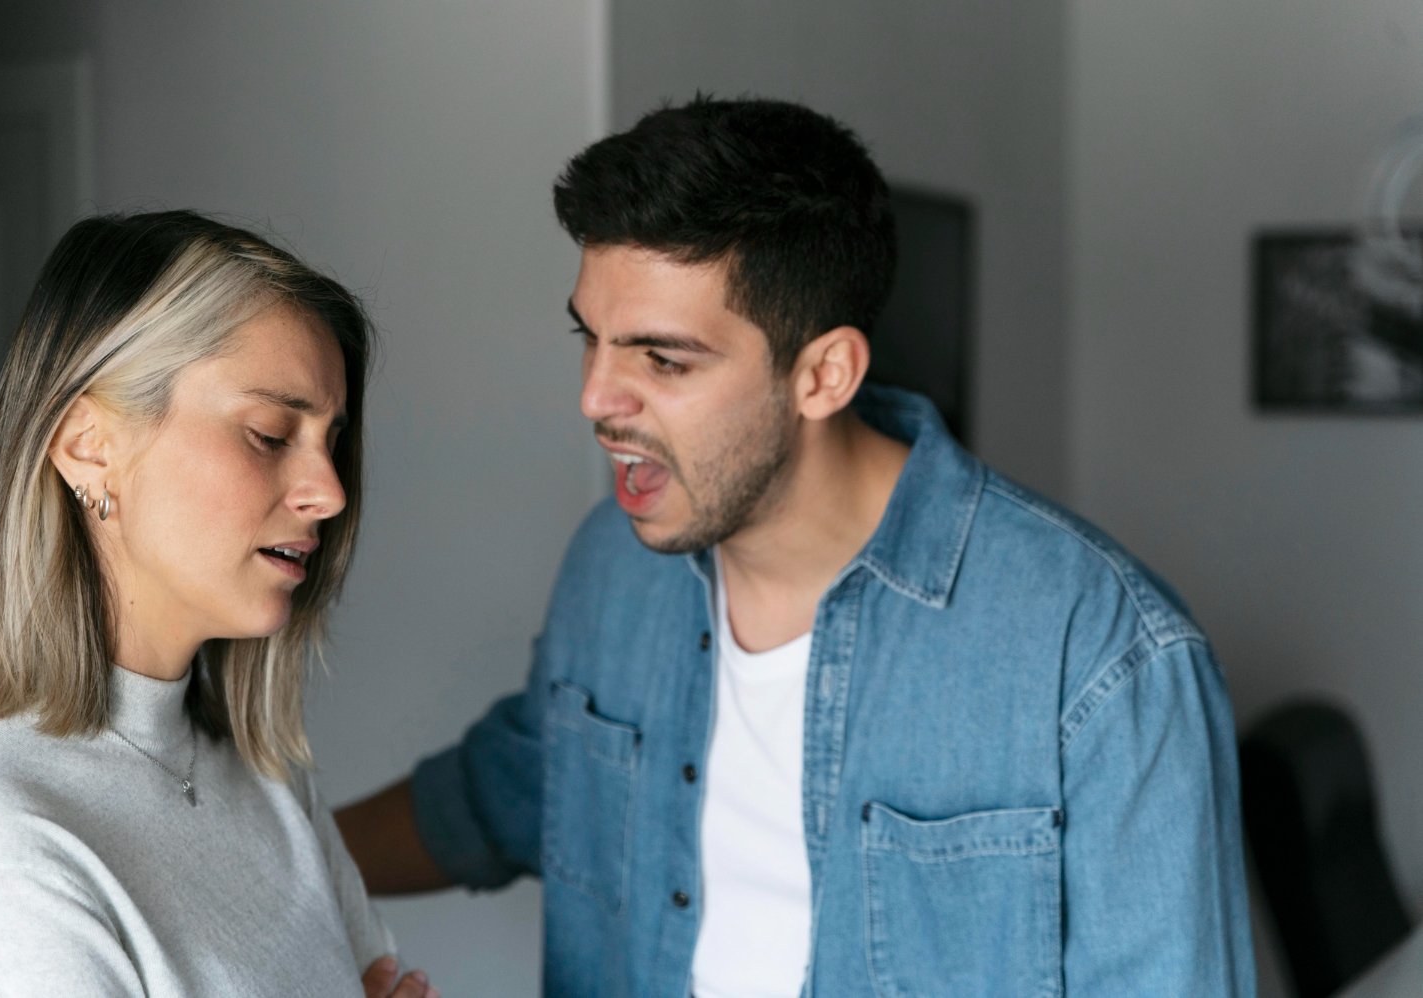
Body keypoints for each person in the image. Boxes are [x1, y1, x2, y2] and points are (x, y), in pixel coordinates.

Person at [339, 97, 1256, 995]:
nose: (596, 398)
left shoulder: (1102, 655)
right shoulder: (613, 565)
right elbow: (514, 788)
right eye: (593, 340)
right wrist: (252, 860)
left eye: (663, 359)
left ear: (825, 374)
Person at [0, 211, 436, 998]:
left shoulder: (269, 779)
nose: (329, 493)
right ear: (88, 444)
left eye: (331, 441)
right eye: (269, 433)